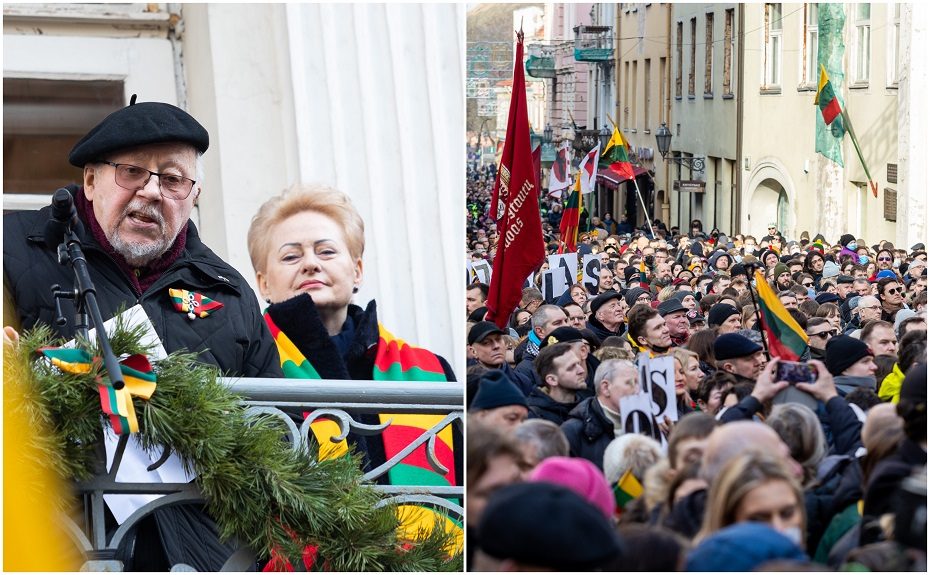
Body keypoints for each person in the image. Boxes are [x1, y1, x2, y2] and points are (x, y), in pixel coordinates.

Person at [3, 98, 282, 571]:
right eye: (132, 171)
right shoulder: (13, 248)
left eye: (173, 179)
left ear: (193, 196)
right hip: (53, 544)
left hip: (201, 556)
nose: (152, 192)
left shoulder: (230, 293)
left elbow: (277, 430)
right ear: (91, 181)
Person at [247, 186, 460, 512]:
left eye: (327, 252)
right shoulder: (249, 366)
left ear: (357, 270)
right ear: (263, 283)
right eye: (291, 256)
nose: (310, 264)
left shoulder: (431, 369)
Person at [561, 359, 639, 470]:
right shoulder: (573, 431)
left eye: (638, 383)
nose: (637, 390)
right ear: (606, 387)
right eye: (630, 383)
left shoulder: (645, 423)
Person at [527, 342, 586, 425]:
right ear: (552, 379)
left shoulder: (587, 407)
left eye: (578, 364)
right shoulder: (534, 419)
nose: (581, 370)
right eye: (571, 367)